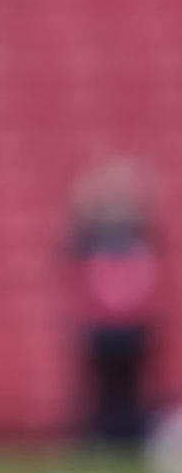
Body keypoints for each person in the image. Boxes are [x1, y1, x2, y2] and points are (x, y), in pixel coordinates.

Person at [68, 156, 160, 446]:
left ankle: (128, 439)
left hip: (132, 326)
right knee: (102, 389)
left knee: (130, 387)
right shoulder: (93, 234)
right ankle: (103, 439)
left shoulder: (139, 231)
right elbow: (76, 215)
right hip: (102, 325)